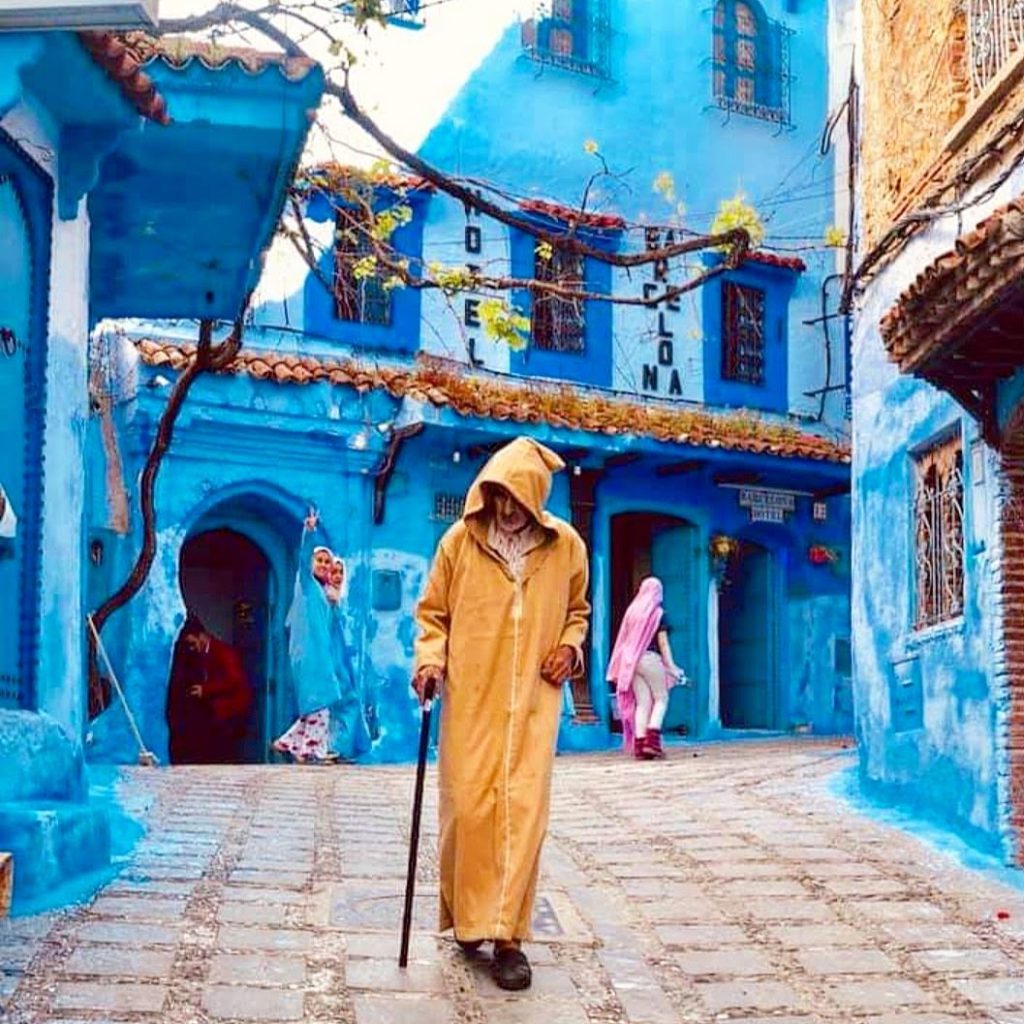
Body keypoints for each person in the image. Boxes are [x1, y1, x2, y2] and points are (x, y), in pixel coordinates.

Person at [413, 436, 590, 992]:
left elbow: (578, 612)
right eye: (498, 496)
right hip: (472, 697)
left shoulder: (566, 547)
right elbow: (433, 614)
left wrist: (571, 648)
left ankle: (509, 939)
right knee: (468, 809)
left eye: (517, 498)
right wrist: (429, 662)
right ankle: (470, 919)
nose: (507, 510)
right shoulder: (458, 543)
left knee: (521, 813)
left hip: (534, 701)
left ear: (535, 496)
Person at [273, 512, 342, 764]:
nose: (323, 565)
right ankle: (310, 750)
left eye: (327, 562)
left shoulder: (323, 592)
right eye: (320, 561)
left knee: (317, 702)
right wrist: (309, 533)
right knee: (320, 701)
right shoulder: (306, 583)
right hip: (309, 654)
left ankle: (289, 742)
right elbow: (303, 559)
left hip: (318, 653)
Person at [607, 576, 687, 761]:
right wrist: (672, 667)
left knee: (643, 703)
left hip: (631, 662)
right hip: (650, 658)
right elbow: (663, 643)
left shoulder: (632, 612)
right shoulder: (657, 613)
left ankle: (640, 745)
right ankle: (652, 742)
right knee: (661, 698)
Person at [165, 613, 252, 764]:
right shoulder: (205, 653)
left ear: (202, 636)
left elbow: (234, 682)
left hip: (231, 710)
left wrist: (205, 690)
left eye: (193, 643)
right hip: (220, 709)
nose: (192, 648)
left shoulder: (223, 652)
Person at [325, 556, 371, 761]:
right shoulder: (328, 597)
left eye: (340, 572)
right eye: (333, 572)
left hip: (340, 658)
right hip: (333, 659)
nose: (337, 576)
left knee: (340, 704)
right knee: (347, 702)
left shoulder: (336, 597)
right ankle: (337, 747)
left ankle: (337, 747)